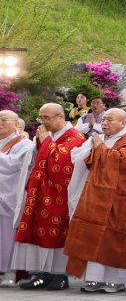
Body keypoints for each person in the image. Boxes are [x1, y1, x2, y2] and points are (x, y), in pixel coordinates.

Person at [64, 107, 126, 292]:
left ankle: (116, 279)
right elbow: (91, 162)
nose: (104, 123)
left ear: (122, 123)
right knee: (92, 235)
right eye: (103, 119)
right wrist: (96, 149)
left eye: (109, 120)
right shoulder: (103, 139)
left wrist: (101, 149)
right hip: (97, 196)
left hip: (117, 198)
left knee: (112, 238)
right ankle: (94, 277)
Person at [13, 103, 86, 290]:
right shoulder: (51, 136)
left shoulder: (76, 137)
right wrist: (44, 143)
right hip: (41, 193)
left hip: (60, 195)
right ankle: (43, 273)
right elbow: (40, 159)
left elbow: (62, 165)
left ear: (61, 116)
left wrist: (46, 143)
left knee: (58, 231)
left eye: (47, 118)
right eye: (41, 118)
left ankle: (60, 275)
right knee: (39, 231)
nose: (43, 122)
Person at [0, 111, 34, 286]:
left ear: (16, 124)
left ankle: (9, 272)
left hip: (9, 197)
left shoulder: (25, 144)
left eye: (4, 120)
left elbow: (15, 164)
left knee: (7, 236)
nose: (0, 123)